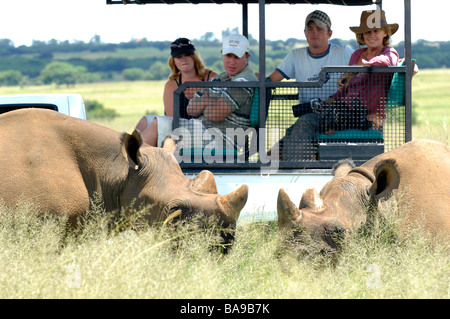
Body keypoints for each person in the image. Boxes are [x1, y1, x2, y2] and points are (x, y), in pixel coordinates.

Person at [278, 9, 399, 161]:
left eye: (376, 31)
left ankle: (298, 166)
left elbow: (387, 63)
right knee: (301, 122)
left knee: (307, 121)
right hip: (345, 111)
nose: (371, 35)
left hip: (364, 117)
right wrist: (331, 99)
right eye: (367, 32)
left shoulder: (389, 52)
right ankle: (289, 159)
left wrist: (359, 68)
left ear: (385, 33)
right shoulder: (356, 55)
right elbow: (349, 88)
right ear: (361, 35)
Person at [174, 33, 257, 153]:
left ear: (247, 56)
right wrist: (216, 102)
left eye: (237, 57)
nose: (231, 62)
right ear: (222, 53)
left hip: (220, 139)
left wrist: (205, 102)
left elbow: (213, 115)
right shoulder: (220, 78)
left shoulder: (244, 81)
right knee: (149, 121)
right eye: (228, 56)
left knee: (158, 127)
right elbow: (191, 109)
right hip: (202, 131)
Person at [135, 38, 217, 146]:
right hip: (180, 129)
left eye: (187, 55)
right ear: (174, 61)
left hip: (205, 130)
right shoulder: (171, 85)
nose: (184, 59)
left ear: (194, 57)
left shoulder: (211, 77)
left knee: (156, 124)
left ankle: (135, 158)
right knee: (145, 121)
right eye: (179, 57)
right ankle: (130, 155)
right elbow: (172, 119)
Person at [267, 10, 354, 103]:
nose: (314, 32)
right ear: (305, 33)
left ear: (329, 34)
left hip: (340, 113)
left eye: (319, 28)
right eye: (310, 28)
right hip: (308, 113)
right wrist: (258, 80)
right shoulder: (295, 56)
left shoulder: (344, 52)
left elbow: (365, 73)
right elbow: (270, 80)